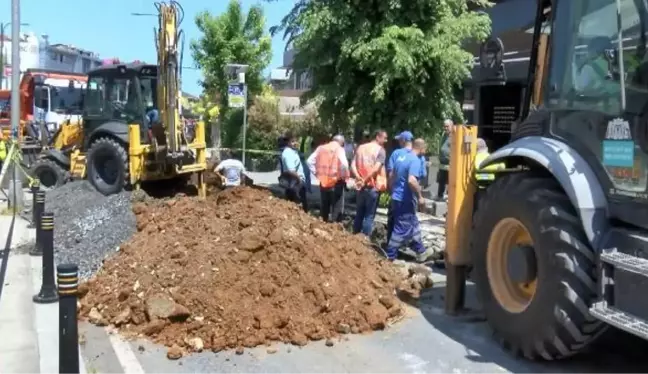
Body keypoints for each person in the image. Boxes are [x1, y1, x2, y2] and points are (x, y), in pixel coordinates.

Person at [386, 138, 435, 262]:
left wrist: (393, 191)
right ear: (422, 148)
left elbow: (391, 176)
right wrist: (420, 197)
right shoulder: (415, 160)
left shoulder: (401, 158)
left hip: (397, 197)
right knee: (401, 227)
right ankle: (390, 256)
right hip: (405, 199)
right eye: (425, 149)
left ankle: (421, 251)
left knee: (413, 224)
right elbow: (412, 180)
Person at [351, 129, 388, 236]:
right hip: (371, 186)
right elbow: (376, 169)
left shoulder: (361, 147)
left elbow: (352, 165)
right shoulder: (380, 150)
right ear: (377, 137)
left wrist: (359, 178)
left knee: (359, 213)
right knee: (369, 215)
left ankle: (354, 236)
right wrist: (365, 180)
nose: (386, 140)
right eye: (384, 138)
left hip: (360, 186)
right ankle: (364, 241)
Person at [308, 134, 349, 222]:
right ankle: (334, 229)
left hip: (324, 182)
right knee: (336, 209)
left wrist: (317, 173)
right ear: (341, 142)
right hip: (336, 183)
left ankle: (323, 227)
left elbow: (309, 161)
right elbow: (344, 164)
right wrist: (344, 176)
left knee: (324, 207)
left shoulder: (321, 148)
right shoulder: (339, 149)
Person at [385, 131, 414, 245]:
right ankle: (403, 246)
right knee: (407, 221)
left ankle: (391, 246)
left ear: (403, 140)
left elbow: (391, 173)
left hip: (397, 193)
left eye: (399, 140)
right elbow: (419, 176)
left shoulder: (396, 153)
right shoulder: (416, 155)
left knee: (393, 220)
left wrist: (390, 187)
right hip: (410, 195)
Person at [279, 133, 308, 212]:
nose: (295, 143)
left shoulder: (292, 152)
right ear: (288, 143)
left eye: (296, 141)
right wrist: (299, 180)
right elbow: (291, 170)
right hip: (295, 185)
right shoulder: (288, 153)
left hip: (294, 184)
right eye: (292, 141)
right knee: (300, 209)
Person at [436, 119, 454, 201]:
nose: (445, 128)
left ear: (452, 126)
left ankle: (450, 197)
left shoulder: (454, 136)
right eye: (444, 126)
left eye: (447, 126)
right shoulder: (444, 135)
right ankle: (440, 196)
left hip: (450, 163)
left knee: (450, 181)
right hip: (442, 162)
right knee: (441, 180)